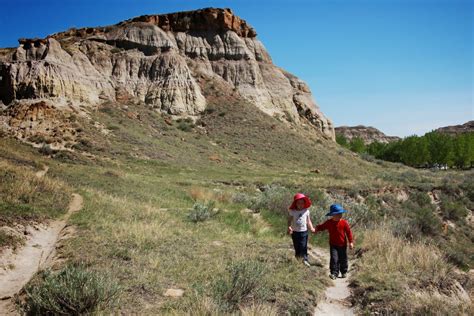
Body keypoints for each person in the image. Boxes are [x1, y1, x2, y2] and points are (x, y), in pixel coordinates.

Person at [314, 204, 354, 279]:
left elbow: (349, 232)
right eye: (338, 214)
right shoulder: (329, 222)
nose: (340, 215)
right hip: (333, 245)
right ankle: (334, 273)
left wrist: (351, 242)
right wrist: (316, 229)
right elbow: (322, 227)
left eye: (341, 213)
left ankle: (344, 272)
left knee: (343, 258)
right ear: (333, 214)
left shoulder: (344, 223)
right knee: (334, 258)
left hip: (342, 244)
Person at [287, 193, 316, 267]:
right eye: (299, 203)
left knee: (303, 246)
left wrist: (312, 228)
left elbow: (308, 221)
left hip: (304, 232)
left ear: (304, 203)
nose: (300, 205)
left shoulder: (306, 211)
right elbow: (289, 220)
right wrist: (289, 227)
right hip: (295, 232)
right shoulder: (293, 211)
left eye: (302, 203)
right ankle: (298, 259)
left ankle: (305, 259)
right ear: (295, 203)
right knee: (297, 246)